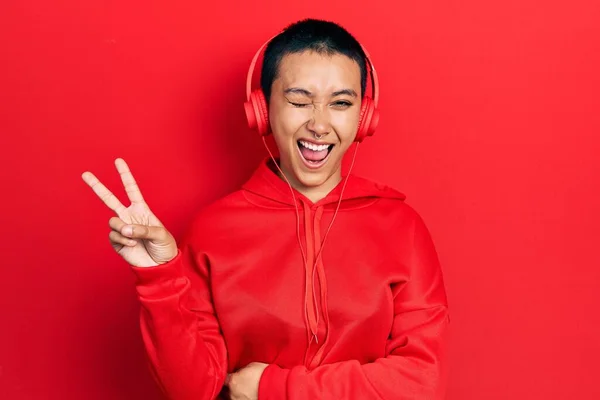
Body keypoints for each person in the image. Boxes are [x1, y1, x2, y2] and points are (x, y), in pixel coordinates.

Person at [82, 18, 449, 400]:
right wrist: (158, 278)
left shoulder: (402, 227)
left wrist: (272, 388)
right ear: (261, 109)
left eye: (340, 103)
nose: (319, 124)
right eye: (298, 100)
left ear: (364, 117)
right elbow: (192, 390)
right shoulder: (213, 230)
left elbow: (421, 383)